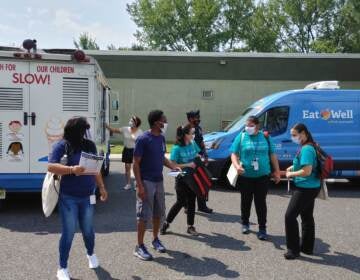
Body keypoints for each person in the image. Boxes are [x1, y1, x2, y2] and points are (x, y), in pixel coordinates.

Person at [48, 117, 108, 280]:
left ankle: (90, 254)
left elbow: (96, 168)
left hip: (88, 195)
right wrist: (71, 169)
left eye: (85, 130)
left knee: (88, 230)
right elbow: (51, 166)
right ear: (74, 131)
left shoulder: (89, 145)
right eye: (82, 130)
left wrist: (101, 187)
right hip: (68, 197)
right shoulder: (62, 145)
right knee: (68, 233)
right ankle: (62, 267)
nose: (85, 133)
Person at [133, 110, 180, 261]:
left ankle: (155, 239)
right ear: (156, 122)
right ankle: (139, 246)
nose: (166, 123)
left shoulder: (161, 138)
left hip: (158, 181)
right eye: (164, 120)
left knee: (158, 213)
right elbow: (135, 164)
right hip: (146, 182)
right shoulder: (143, 139)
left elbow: (162, 158)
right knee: (143, 215)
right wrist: (139, 186)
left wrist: (173, 166)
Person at [230, 115, 280, 241]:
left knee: (260, 203)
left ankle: (262, 228)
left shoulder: (266, 137)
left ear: (257, 126)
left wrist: (277, 172)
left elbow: (273, 155)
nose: (248, 127)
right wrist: (236, 166)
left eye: (251, 125)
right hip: (246, 176)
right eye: (247, 125)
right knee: (245, 201)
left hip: (263, 176)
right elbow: (234, 154)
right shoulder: (241, 137)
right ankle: (245, 223)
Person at [284, 123, 321, 260]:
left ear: (303, 133)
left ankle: (293, 250)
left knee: (289, 216)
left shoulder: (306, 149)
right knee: (306, 217)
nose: (293, 137)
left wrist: (290, 174)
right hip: (312, 187)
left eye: (294, 135)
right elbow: (304, 164)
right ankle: (307, 248)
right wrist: (292, 166)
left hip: (305, 188)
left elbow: (307, 171)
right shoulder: (309, 145)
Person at [161, 124, 201, 236]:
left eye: (194, 132)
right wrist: (188, 164)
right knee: (180, 202)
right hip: (181, 177)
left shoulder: (193, 144)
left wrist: (199, 159)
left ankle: (190, 226)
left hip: (193, 177)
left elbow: (197, 154)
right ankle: (166, 223)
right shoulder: (177, 148)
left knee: (192, 201)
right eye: (191, 133)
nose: (193, 135)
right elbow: (173, 165)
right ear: (185, 135)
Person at [186, 110, 213, 214]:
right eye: (196, 117)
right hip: (188, 160)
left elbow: (201, 142)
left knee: (202, 181)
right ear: (190, 119)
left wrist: (205, 155)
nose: (198, 119)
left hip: (198, 159)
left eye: (198, 117)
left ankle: (202, 205)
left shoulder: (198, 128)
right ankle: (187, 205)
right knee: (189, 184)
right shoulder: (185, 129)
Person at [106, 116, 143, 190]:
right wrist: (107, 126)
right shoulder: (125, 129)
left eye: (132, 121)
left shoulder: (140, 132)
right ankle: (128, 184)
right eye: (130, 120)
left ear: (136, 123)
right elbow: (115, 130)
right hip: (127, 150)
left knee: (137, 168)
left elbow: (141, 142)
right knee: (127, 167)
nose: (130, 122)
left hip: (136, 151)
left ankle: (137, 183)